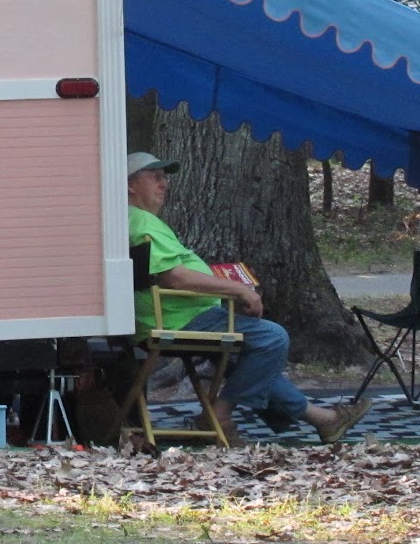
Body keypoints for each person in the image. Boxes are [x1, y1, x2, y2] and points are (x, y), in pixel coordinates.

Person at [126, 151, 373, 446]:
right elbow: (174, 277)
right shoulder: (142, 222)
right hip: (178, 318)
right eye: (155, 177)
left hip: (165, 315)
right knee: (272, 338)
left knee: (244, 359)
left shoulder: (129, 219)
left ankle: (326, 420)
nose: (164, 184)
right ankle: (220, 415)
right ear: (130, 186)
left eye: (164, 177)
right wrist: (239, 290)